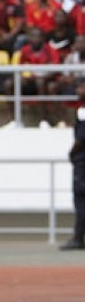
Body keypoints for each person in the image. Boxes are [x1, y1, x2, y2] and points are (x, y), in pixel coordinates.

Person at [60, 83, 85, 251]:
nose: (78, 90)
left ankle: (78, 238)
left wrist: (72, 153)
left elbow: (82, 137)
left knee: (81, 200)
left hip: (83, 162)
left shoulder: (83, 111)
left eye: (81, 87)